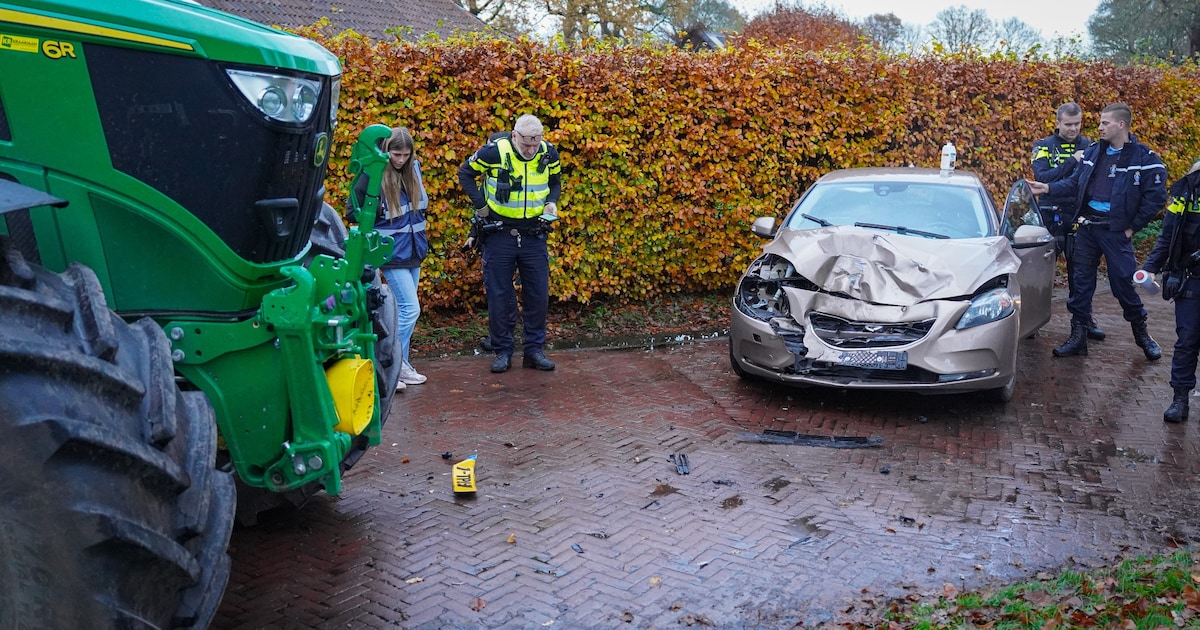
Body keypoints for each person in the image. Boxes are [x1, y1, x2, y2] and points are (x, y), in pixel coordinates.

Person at [1026, 102, 1167, 361]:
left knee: (1122, 283)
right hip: (1087, 228)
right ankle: (1078, 337)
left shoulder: (1144, 158)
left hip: (1115, 232)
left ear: (1121, 125)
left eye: (1105, 123)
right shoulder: (1093, 152)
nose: (1099, 127)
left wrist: (1132, 227)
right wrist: (1046, 189)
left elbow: (1156, 199)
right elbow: (1075, 183)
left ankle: (1142, 334)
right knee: (1080, 284)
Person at [457, 114, 562, 373]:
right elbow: (465, 173)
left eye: (535, 143)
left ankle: (534, 351)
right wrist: (480, 206)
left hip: (534, 235)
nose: (531, 149)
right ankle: (503, 351)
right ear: (514, 136)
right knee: (499, 296)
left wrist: (552, 201)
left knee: (538, 295)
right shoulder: (494, 152)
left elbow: (555, 183)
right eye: (526, 144)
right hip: (500, 234)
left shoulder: (549, 153)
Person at [351, 126, 429, 390]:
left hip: (414, 251)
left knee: (405, 312)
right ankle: (393, 362)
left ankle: (400, 366)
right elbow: (353, 211)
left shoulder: (412, 171)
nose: (400, 160)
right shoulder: (372, 174)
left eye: (406, 155)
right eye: (396, 154)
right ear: (387, 151)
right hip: (391, 252)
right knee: (410, 309)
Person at [1031, 101, 1104, 341]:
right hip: (1049, 214)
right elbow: (1042, 177)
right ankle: (1032, 322)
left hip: (1078, 214)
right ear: (1058, 123)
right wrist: (1073, 161)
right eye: (1069, 124)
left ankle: (1085, 320)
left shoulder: (1091, 146)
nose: (1074, 129)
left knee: (1081, 272)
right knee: (1040, 272)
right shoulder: (1043, 146)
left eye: (1078, 124)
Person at [1141, 160, 1200, 422]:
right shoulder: (1186, 195)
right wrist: (1150, 268)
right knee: (1187, 340)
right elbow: (1168, 235)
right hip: (1190, 278)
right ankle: (1180, 399)